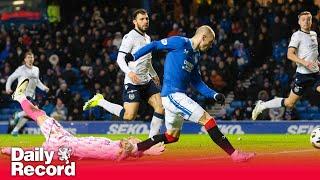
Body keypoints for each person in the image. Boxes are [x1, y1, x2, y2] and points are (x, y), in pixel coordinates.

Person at [125, 25, 255, 162]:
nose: (210, 46)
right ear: (203, 37)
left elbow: (197, 82)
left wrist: (214, 95)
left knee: (171, 137)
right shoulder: (180, 42)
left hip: (174, 97)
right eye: (210, 42)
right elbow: (154, 45)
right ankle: (235, 155)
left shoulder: (195, 56)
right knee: (208, 120)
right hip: (172, 95)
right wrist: (134, 56)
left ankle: (135, 149)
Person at [1, 78, 165, 161]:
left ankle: (20, 97)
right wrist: (147, 150)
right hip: (69, 146)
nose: (131, 138)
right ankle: (11, 152)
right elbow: (133, 150)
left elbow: (130, 147)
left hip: (64, 143)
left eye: (134, 140)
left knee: (39, 115)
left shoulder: (120, 149)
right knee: (43, 153)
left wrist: (147, 149)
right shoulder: (118, 150)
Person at [83, 9, 164, 138]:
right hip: (133, 83)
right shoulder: (130, 37)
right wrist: (129, 72)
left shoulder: (147, 38)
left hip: (147, 81)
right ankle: (100, 101)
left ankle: (151, 141)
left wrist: (153, 74)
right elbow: (120, 59)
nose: (145, 21)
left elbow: (146, 60)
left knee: (160, 107)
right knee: (129, 116)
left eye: (147, 18)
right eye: (142, 19)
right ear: (134, 22)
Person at [252, 11, 319, 120]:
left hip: (316, 74)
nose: (306, 22)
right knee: (289, 103)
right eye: (303, 20)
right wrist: (304, 62)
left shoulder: (314, 34)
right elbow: (290, 54)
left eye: (308, 19)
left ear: (311, 21)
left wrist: (317, 62)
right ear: (299, 22)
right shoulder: (297, 35)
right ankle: (263, 105)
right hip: (303, 76)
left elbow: (312, 53)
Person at [5, 51, 49, 136]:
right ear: (25, 59)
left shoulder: (36, 69)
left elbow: (37, 81)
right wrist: (8, 88)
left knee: (28, 114)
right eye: (28, 57)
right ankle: (18, 115)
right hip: (22, 94)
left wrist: (44, 88)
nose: (30, 59)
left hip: (32, 95)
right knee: (33, 110)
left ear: (33, 59)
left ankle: (15, 130)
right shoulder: (20, 69)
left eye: (31, 57)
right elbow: (10, 78)